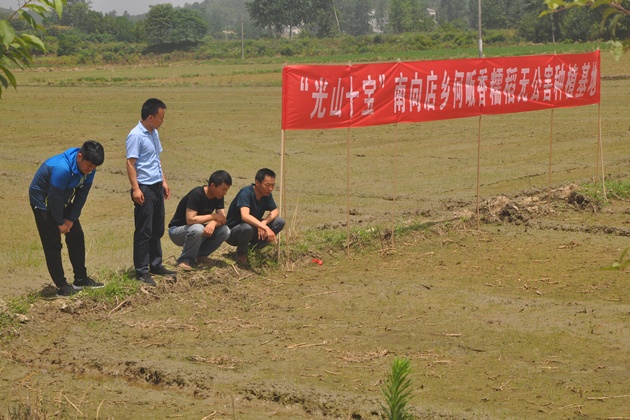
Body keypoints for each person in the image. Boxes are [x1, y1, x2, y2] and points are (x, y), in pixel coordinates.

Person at [29, 140, 105, 297]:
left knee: (76, 236)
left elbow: (81, 196)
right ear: (80, 156)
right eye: (89, 166)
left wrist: (70, 220)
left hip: (62, 197)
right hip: (43, 202)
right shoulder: (62, 169)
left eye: (94, 167)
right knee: (53, 244)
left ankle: (80, 279)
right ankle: (61, 286)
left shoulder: (90, 170)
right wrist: (59, 223)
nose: (90, 170)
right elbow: (53, 199)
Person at [126, 98, 177, 286]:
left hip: (156, 186)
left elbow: (156, 159)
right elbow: (130, 163)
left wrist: (163, 181)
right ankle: (141, 270)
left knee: (157, 228)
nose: (163, 121)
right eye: (161, 117)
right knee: (144, 230)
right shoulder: (135, 135)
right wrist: (136, 189)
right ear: (150, 117)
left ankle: (156, 264)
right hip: (144, 187)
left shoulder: (154, 133)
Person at [168, 170, 232, 270]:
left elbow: (222, 219)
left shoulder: (218, 196)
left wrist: (213, 223)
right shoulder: (197, 194)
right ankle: (184, 260)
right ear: (212, 185)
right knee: (198, 229)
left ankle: (201, 256)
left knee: (225, 230)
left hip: (197, 229)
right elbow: (190, 219)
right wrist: (213, 216)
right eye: (223, 189)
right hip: (177, 231)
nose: (225, 193)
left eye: (226, 190)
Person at [226, 168, 285, 265]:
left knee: (279, 222)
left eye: (273, 185)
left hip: (254, 228)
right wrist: (264, 227)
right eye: (267, 185)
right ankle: (241, 253)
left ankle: (253, 249)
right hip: (234, 231)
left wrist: (264, 223)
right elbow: (245, 216)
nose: (270, 188)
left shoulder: (267, 194)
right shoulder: (245, 193)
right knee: (247, 227)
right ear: (257, 183)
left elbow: (275, 211)